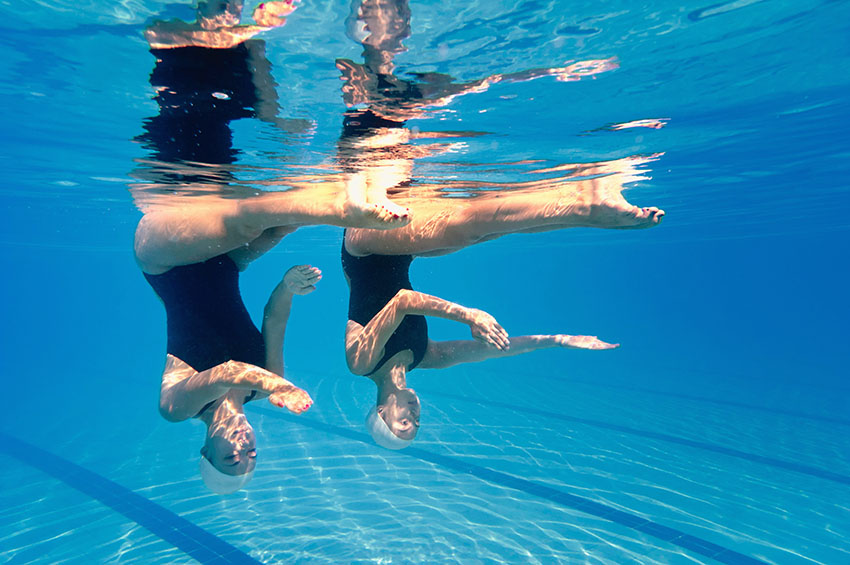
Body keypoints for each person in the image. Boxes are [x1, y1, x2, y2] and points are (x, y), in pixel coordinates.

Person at [135, 0, 409, 493]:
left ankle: (339, 204)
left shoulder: (176, 406)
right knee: (217, 136)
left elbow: (225, 371)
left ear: (206, 450)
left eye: (229, 457)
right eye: (251, 456)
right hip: (224, 261)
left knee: (245, 211)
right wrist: (286, 286)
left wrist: (277, 384)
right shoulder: (263, 389)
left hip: (167, 261)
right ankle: (237, 37)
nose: (242, 446)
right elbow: (273, 320)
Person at [342, 157, 664, 449]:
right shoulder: (424, 357)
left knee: (466, 227)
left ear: (381, 412)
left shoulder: (361, 362)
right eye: (417, 423)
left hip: (364, 248)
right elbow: (495, 349)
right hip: (398, 253)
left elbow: (402, 302)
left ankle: (588, 204)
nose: (414, 416)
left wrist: (468, 315)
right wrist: (557, 341)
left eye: (404, 423)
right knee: (488, 233)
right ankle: (591, 200)